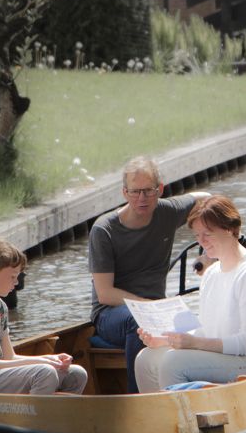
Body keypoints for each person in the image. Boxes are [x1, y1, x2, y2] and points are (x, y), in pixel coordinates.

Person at [134, 195, 246, 393]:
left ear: (231, 229)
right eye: (197, 235)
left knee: (173, 362)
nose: (202, 241)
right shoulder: (211, 273)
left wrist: (195, 343)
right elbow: (206, 330)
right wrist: (165, 339)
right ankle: (156, 419)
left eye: (208, 233)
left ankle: (179, 420)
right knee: (146, 359)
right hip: (224, 356)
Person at [88, 156, 209, 393]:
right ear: (124, 192)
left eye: (148, 191)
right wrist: (147, 307)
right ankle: (140, 399)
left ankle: (193, 391)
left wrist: (207, 250)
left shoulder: (168, 211)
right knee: (138, 321)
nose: (141, 199)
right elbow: (104, 293)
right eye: (135, 192)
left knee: (196, 323)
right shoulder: (104, 230)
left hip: (155, 309)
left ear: (160, 190)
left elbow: (207, 199)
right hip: (111, 314)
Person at [0, 237, 88, 395]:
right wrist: (43, 363)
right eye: (12, 276)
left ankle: (57, 418)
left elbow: (9, 357)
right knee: (45, 373)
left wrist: (49, 358)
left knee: (76, 375)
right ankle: (32, 419)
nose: (16, 283)